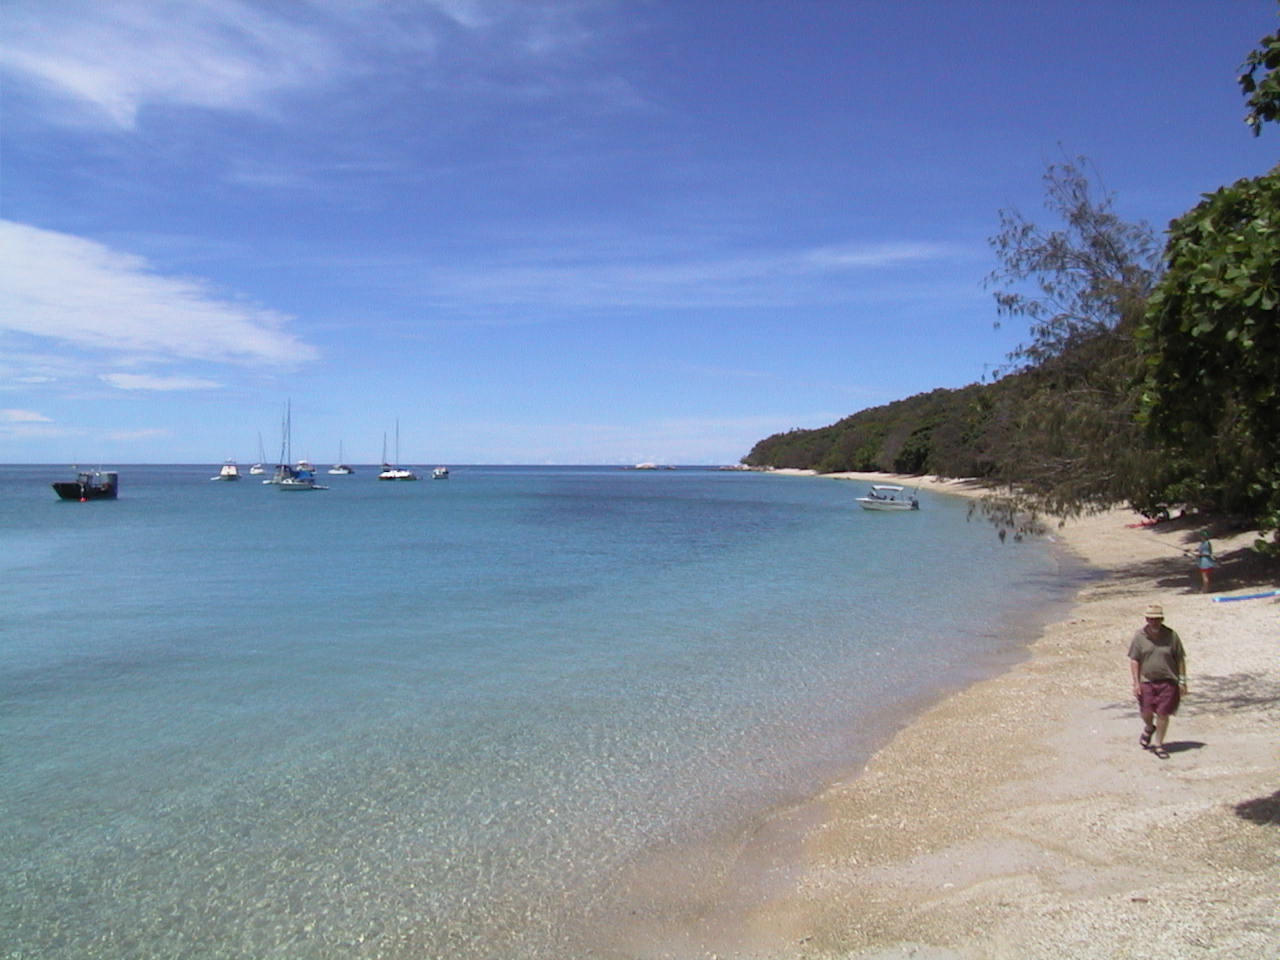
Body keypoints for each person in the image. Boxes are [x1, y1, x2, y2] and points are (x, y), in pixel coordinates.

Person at [1128, 603, 1187, 759]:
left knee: (1163, 713)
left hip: (1168, 680)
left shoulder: (1171, 636)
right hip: (1146, 680)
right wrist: (1135, 683)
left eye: (1157, 619)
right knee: (1146, 711)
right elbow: (1134, 660)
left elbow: (1180, 658)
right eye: (1151, 619)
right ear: (1146, 619)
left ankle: (1159, 745)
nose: (1154, 622)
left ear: (1162, 619)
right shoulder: (1139, 636)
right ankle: (1149, 727)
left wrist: (1182, 681)